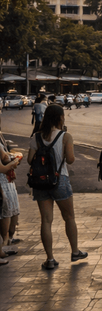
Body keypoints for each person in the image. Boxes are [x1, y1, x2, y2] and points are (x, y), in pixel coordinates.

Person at [27, 104, 87, 270]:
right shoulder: (65, 136)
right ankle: (75, 251)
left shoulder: (36, 137)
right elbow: (70, 160)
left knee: (46, 220)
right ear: (60, 118)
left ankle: (50, 258)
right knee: (69, 217)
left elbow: (29, 160)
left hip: (40, 182)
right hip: (60, 180)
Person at [0, 114, 23, 266]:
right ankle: (4, 242)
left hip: (6, 180)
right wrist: (14, 162)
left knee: (8, 211)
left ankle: (4, 244)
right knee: (5, 212)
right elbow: (2, 167)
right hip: (2, 181)